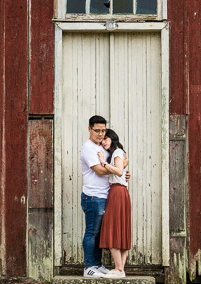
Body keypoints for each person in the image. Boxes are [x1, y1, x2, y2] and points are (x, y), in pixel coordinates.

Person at [80, 115, 129, 278]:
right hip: (93, 196)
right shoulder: (88, 148)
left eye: (103, 131)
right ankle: (89, 267)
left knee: (100, 233)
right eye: (97, 130)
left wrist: (121, 171)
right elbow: (100, 170)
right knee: (92, 231)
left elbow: (116, 170)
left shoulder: (104, 148)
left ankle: (97, 264)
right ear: (89, 129)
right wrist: (117, 169)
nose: (100, 134)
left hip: (106, 196)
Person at [97, 129, 131, 279]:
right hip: (121, 193)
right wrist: (123, 168)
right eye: (102, 139)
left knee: (112, 228)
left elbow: (117, 171)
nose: (103, 141)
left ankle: (118, 269)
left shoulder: (117, 153)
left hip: (117, 193)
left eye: (106, 139)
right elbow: (121, 171)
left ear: (112, 138)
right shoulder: (119, 153)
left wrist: (103, 163)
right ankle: (121, 269)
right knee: (121, 229)